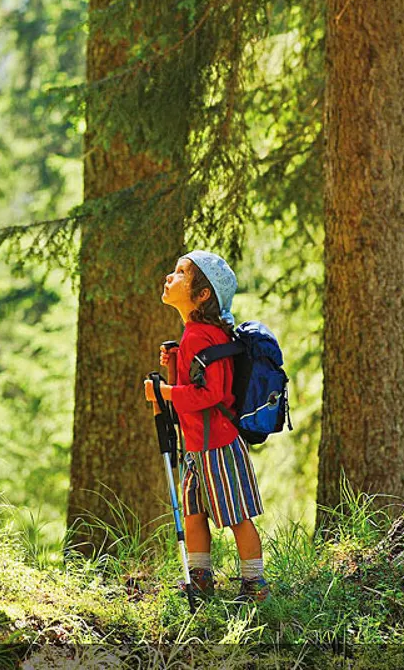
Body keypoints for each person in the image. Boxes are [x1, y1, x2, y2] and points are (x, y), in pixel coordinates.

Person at [143, 250, 268, 603]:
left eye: (181, 272)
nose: (170, 276)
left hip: (219, 446)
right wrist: (175, 365)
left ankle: (255, 586)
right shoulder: (196, 334)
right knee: (194, 513)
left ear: (203, 294)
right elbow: (194, 383)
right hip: (199, 446)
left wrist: (164, 392)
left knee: (237, 516)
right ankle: (200, 580)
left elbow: (211, 393)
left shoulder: (200, 335)